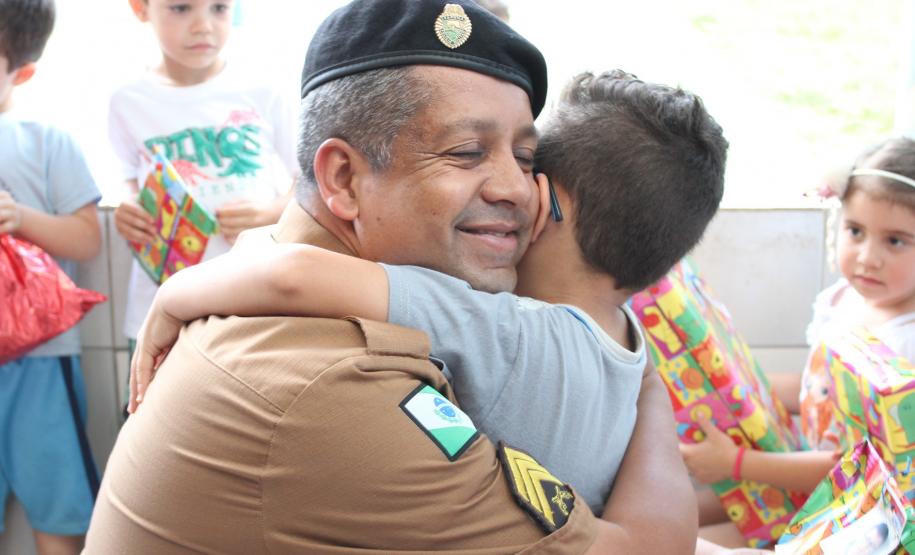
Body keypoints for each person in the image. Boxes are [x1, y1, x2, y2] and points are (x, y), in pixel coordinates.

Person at [85, 1, 696, 552]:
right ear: (344, 181)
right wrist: (639, 376)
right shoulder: (333, 386)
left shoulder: (268, 256)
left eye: (526, 158)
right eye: (465, 153)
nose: (516, 189)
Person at [680, 136, 915, 547]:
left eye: (894, 241)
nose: (866, 257)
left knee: (685, 543)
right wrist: (733, 391)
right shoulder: (841, 301)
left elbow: (850, 465)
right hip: (801, 471)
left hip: (852, 510)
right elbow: (813, 385)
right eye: (855, 231)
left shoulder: (903, 348)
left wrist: (735, 462)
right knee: (676, 512)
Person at [109, 0, 299, 398]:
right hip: (163, 301)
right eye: (181, 9)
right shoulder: (129, 101)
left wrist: (272, 212)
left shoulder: (263, 89)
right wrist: (129, 210)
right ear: (141, 9)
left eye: (219, 9)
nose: (203, 26)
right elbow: (129, 182)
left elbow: (311, 183)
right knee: (156, 417)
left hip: (253, 299)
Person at [0, 1, 102, 553]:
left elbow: (88, 240)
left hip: (39, 361)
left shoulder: (47, 142)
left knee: (58, 516)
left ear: (22, 72)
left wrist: (21, 219)